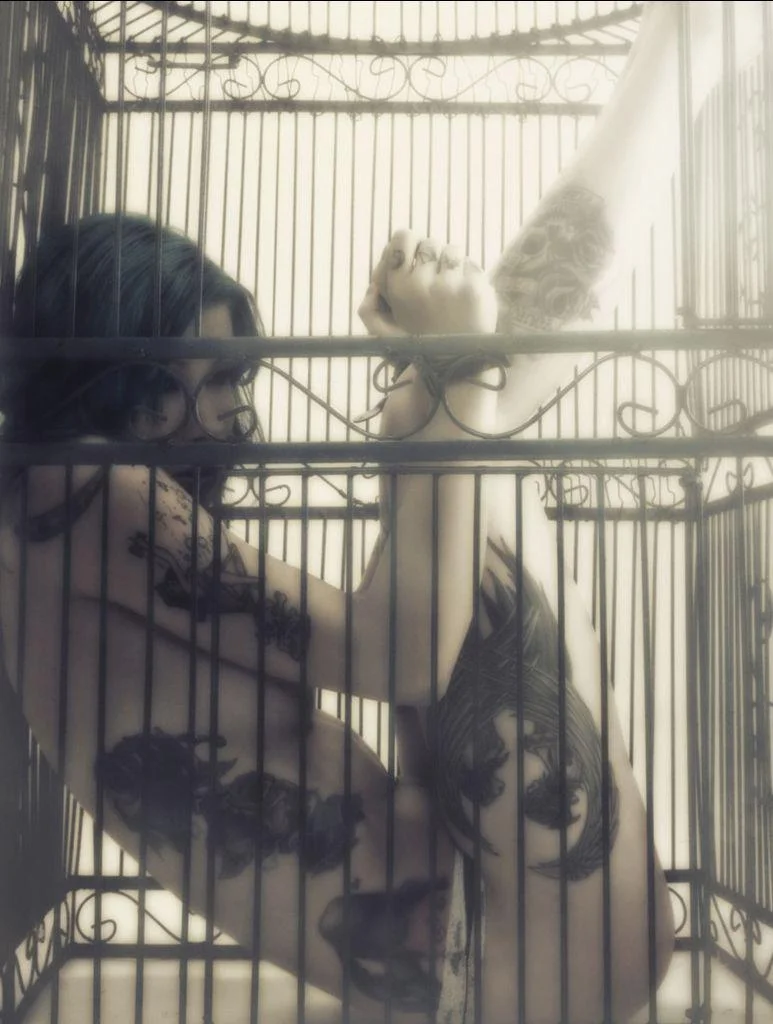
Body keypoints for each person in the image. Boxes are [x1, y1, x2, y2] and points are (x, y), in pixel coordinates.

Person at [3, 1, 740, 1019]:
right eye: (192, 380)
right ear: (112, 365)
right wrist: (444, 380)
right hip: (515, 964)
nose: (228, 417)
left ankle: (668, 65)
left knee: (442, 430)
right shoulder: (70, 486)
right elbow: (400, 656)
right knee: (443, 433)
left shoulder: (71, 524)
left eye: (234, 380)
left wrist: (440, 386)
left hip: (501, 938)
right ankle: (674, 58)